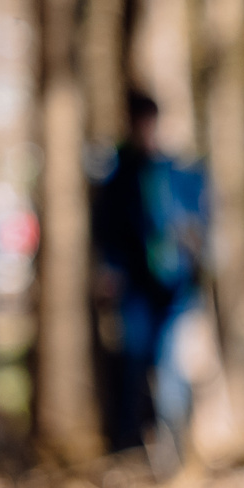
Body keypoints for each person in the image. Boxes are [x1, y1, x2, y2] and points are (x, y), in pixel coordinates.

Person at [89, 92, 208, 460]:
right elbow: (106, 232)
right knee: (134, 361)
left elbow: (202, 227)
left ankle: (175, 445)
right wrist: (109, 271)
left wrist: (194, 243)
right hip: (134, 291)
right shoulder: (117, 178)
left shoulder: (182, 173)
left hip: (176, 291)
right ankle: (131, 444)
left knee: (172, 366)